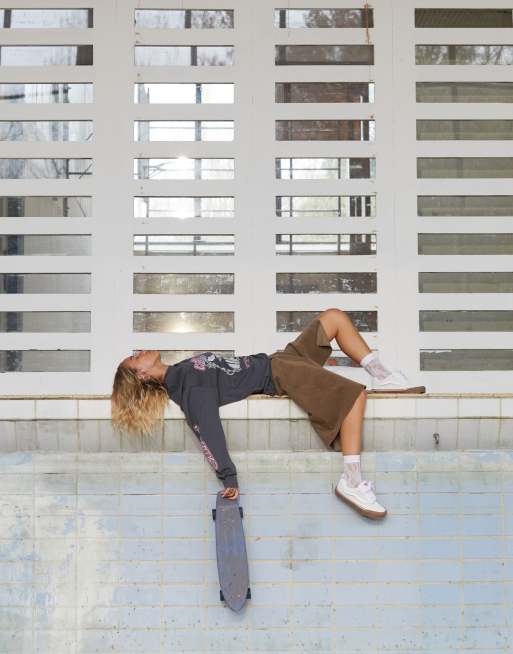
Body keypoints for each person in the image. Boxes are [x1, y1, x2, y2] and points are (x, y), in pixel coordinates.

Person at [111, 308, 425, 520]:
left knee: (334, 318)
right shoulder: (187, 388)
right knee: (354, 396)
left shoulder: (182, 370)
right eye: (134, 358)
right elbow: (206, 430)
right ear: (140, 376)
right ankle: (352, 480)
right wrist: (228, 477)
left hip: (280, 360)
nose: (140, 352)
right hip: (278, 374)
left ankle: (383, 376)